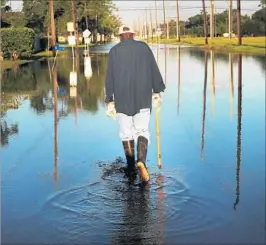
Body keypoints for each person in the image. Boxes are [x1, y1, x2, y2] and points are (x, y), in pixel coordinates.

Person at [105, 24, 165, 183]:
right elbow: (153, 69)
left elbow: (109, 76)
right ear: (133, 34)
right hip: (143, 97)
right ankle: (141, 161)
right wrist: (157, 90)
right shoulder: (144, 48)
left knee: (126, 132)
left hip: (122, 98)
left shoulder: (114, 51)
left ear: (120, 36)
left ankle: (131, 165)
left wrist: (109, 98)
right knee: (142, 130)